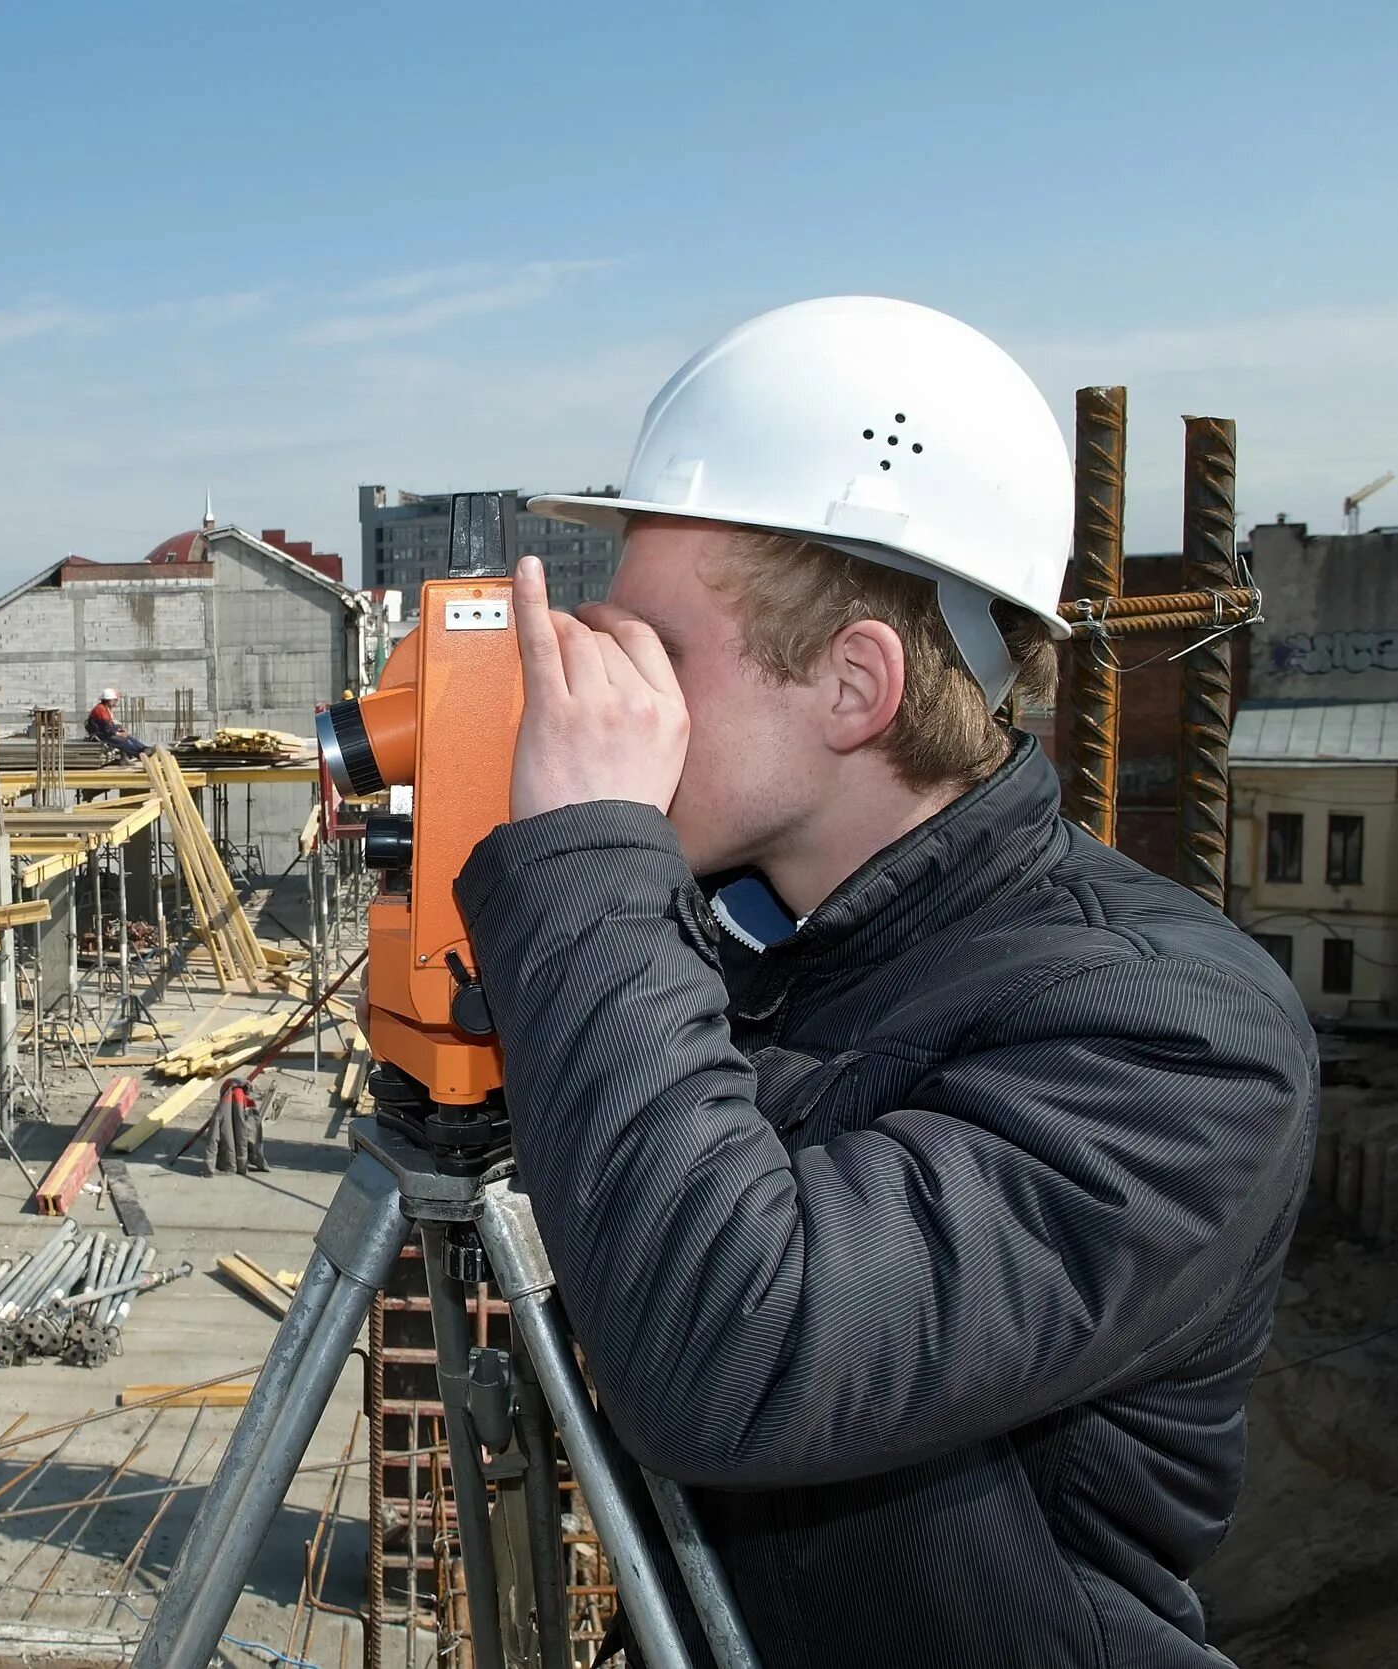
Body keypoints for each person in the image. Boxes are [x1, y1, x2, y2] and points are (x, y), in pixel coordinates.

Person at [455, 297, 1315, 1669]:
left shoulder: (1171, 1035)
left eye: (658, 655)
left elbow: (732, 1357)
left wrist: (586, 873)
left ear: (856, 685)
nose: (603, 690)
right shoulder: (760, 941)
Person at [85, 688, 148, 758]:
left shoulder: (105, 708)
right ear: (109, 700)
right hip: (100, 736)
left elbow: (109, 726)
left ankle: (145, 749)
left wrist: (119, 730)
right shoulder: (101, 709)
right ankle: (141, 754)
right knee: (123, 741)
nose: (115, 702)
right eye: (114, 700)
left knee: (127, 736)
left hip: (104, 734)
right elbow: (107, 729)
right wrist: (118, 733)